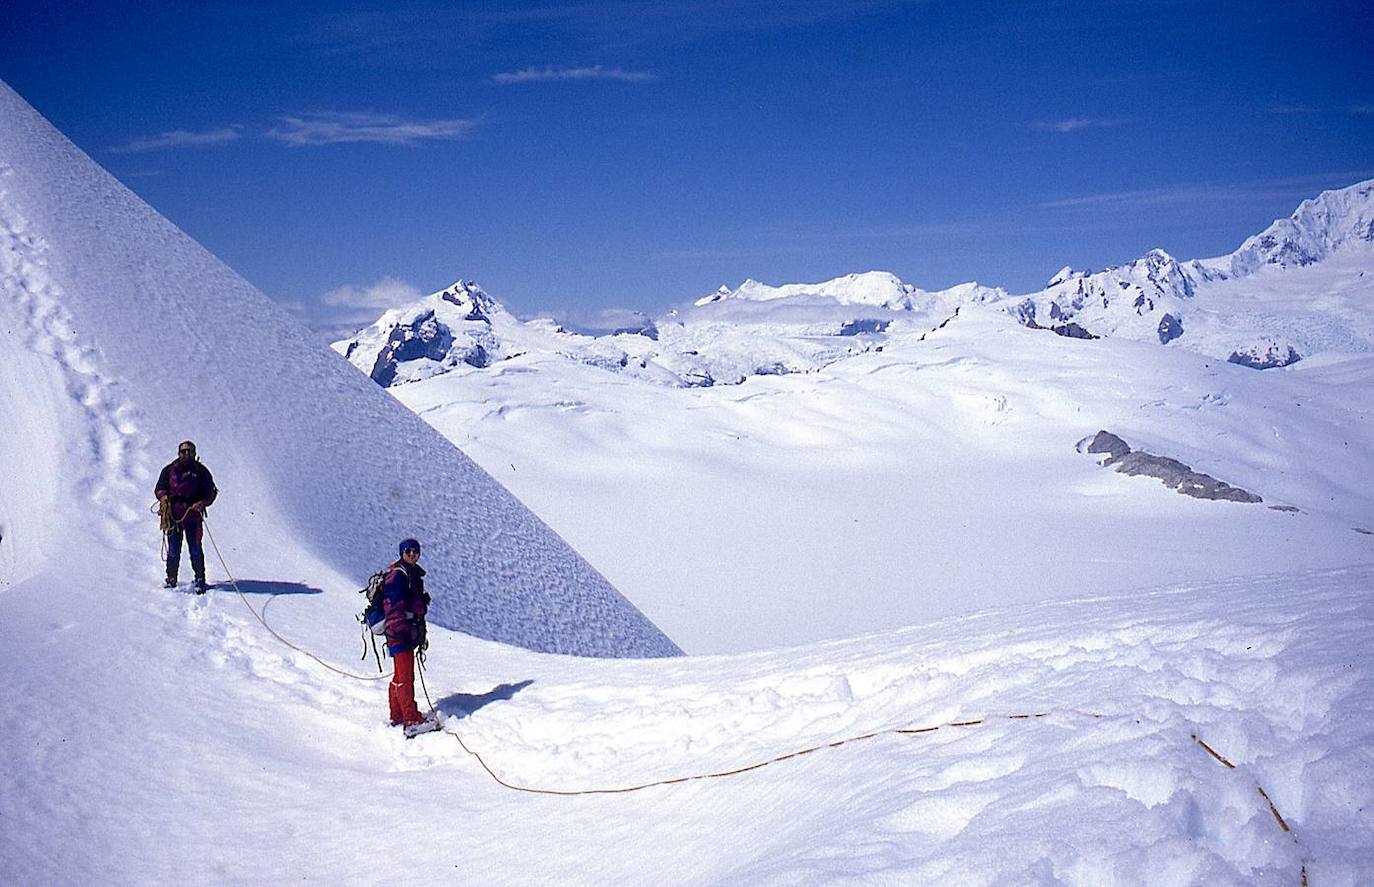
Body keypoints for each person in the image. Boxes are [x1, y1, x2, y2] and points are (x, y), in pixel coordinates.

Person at [154, 440, 218, 593]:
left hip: (193, 516)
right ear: (178, 453)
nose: (187, 454)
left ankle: (200, 578)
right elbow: (159, 488)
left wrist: (202, 503)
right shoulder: (169, 470)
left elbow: (211, 492)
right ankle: (171, 578)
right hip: (173, 516)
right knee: (173, 550)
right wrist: (163, 497)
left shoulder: (201, 471)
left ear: (195, 453)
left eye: (190, 451)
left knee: (195, 548)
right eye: (184, 451)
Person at [383, 538, 432, 733]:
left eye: (415, 551)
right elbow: (394, 607)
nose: (412, 554)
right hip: (400, 633)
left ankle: (397, 714)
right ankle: (411, 719)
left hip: (402, 632)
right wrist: (400, 631)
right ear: (402, 553)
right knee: (405, 677)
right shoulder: (399, 575)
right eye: (408, 551)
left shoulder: (408, 573)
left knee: (399, 675)